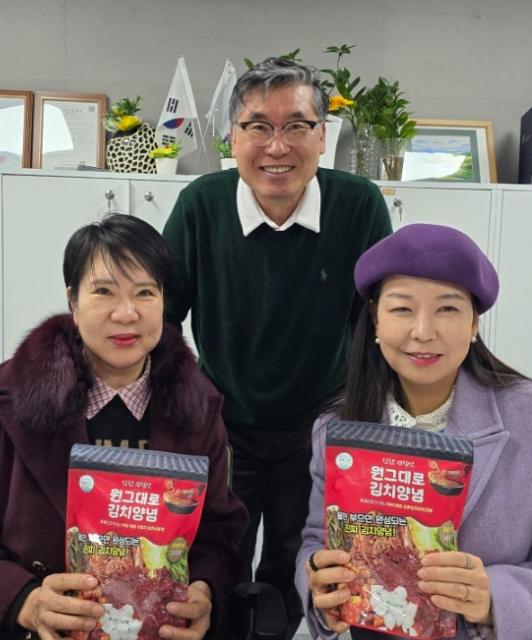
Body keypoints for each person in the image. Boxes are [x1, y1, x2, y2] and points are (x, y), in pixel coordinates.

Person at [0, 214, 247, 640]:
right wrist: (24, 602)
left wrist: (204, 590)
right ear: (72, 300)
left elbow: (218, 534)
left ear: (165, 300)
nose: (126, 314)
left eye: (145, 293)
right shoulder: (3, 399)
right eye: (104, 291)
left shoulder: (198, 407)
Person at [296, 223, 532, 640]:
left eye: (447, 309)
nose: (423, 331)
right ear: (375, 320)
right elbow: (317, 539)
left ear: (473, 324)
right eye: (402, 309)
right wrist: (321, 588)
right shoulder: (337, 429)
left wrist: (494, 598)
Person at [162, 58, 392, 636]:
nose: (277, 146)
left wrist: (368, 422)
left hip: (319, 419)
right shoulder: (201, 205)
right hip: (222, 421)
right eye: (258, 126)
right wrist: (183, 410)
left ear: (322, 135)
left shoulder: (358, 205)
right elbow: (161, 318)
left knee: (296, 561)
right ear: (233, 136)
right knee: (215, 556)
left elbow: (377, 322)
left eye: (296, 126)